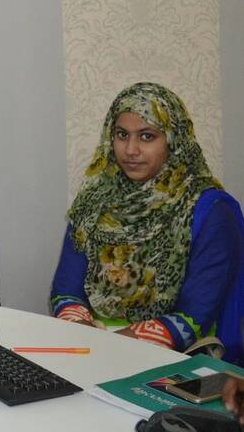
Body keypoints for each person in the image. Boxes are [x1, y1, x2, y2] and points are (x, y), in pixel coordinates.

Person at [50, 82, 244, 362]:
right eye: (122, 135)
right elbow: (66, 290)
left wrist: (113, 347)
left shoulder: (211, 211)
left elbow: (195, 314)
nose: (131, 149)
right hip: (92, 350)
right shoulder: (93, 203)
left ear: (174, 140)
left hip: (178, 361)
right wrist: (83, 335)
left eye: (147, 136)